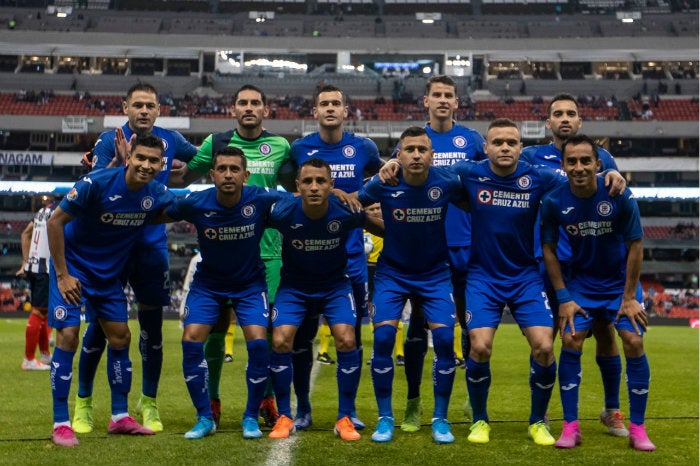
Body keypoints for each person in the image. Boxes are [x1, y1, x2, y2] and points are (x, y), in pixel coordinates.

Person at [452, 119, 626, 446]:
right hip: (482, 278)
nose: (505, 147)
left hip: (525, 277)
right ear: (486, 148)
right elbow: (426, 174)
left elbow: (579, 178)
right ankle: (479, 419)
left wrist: (610, 175)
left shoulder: (538, 177)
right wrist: (391, 164)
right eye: (498, 142)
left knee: (545, 347)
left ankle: (537, 421)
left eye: (511, 142)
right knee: (479, 346)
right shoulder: (469, 173)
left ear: (521, 149)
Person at [74, 83, 198, 434]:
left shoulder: (171, 140)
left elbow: (202, 162)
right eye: (138, 105)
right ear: (126, 107)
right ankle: (83, 403)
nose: (144, 111)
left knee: (152, 331)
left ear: (159, 110)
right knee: (98, 331)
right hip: (111, 248)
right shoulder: (107, 141)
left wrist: (183, 177)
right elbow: (91, 186)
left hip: (150, 247)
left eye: (150, 106)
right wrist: (115, 164)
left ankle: (149, 401)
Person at [170, 84, 292, 428]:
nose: (249, 107)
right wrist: (136, 169)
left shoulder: (281, 145)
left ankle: (266, 399)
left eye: (256, 102)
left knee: (265, 330)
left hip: (269, 251)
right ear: (233, 109)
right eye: (243, 102)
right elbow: (185, 178)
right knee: (215, 328)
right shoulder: (215, 144)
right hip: (224, 247)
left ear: (265, 110)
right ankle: (213, 399)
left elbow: (297, 188)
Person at [47, 134, 174, 447]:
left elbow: (184, 209)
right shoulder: (97, 183)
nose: (146, 165)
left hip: (108, 276)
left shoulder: (157, 194)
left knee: (121, 337)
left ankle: (119, 417)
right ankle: (61, 422)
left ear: (161, 165)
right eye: (141, 158)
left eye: (153, 161)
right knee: (68, 336)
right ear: (129, 156)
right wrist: (63, 275)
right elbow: (54, 222)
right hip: (73, 269)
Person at [157, 146, 287, 439]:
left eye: (235, 169)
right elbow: (158, 213)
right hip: (209, 285)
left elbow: (303, 201)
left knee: (257, 343)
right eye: (222, 169)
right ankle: (204, 417)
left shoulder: (262, 199)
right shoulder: (197, 202)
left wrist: (341, 196)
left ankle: (251, 417)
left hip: (250, 285)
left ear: (246, 175)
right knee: (191, 341)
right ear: (212, 174)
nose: (228, 174)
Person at [379, 75, 486, 432]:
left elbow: (490, 179)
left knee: (472, 328)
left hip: (468, 246)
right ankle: (413, 401)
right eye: (436, 95)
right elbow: (390, 181)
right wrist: (387, 165)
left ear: (457, 102)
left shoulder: (472, 140)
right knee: (417, 331)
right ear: (425, 101)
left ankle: (474, 401)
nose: (442, 100)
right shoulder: (415, 142)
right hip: (427, 252)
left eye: (448, 96)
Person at [520, 92, 629, 437]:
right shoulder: (530, 156)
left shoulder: (603, 157)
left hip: (588, 261)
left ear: (580, 121)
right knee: (546, 339)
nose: (564, 118)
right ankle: (543, 412)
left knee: (604, 332)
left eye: (571, 113)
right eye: (558, 114)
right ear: (547, 122)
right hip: (546, 259)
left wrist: (618, 176)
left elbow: (615, 192)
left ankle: (611, 410)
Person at [540, 135, 655, 451]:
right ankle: (571, 427)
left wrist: (629, 296)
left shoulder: (619, 194)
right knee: (570, 339)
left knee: (633, 340)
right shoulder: (553, 201)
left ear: (598, 164)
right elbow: (548, 249)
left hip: (619, 285)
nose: (578, 167)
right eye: (572, 161)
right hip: (582, 283)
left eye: (585, 161)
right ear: (563, 165)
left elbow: (636, 244)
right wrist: (564, 297)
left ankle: (638, 429)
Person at [357, 126, 469, 444]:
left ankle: (440, 419)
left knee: (446, 341)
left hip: (435, 274)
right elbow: (353, 207)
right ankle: (385, 419)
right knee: (383, 339)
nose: (417, 154)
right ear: (399, 155)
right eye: (410, 149)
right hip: (393, 274)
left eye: (422, 149)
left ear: (432, 155)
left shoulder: (447, 182)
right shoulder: (384, 182)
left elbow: (479, 207)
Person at [287, 84, 383, 431]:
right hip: (307, 255)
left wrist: (360, 198)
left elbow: (380, 180)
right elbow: (290, 189)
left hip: (351, 255)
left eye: (336, 104)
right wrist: (333, 193)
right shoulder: (300, 148)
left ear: (346, 111)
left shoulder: (364, 148)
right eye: (324, 104)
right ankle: (302, 410)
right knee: (302, 334)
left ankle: (349, 409)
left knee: (350, 335)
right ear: (315, 112)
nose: (330, 108)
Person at [266, 158, 382, 441]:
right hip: (294, 287)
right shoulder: (283, 211)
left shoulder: (346, 211)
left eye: (321, 181)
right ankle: (287, 414)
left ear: (332, 185)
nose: (314, 187)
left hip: (334, 286)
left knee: (346, 338)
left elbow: (379, 227)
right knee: (281, 340)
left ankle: (345, 416)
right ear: (298, 186)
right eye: (308, 181)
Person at [17, 195, 57, 371]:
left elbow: (25, 233)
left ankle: (45, 355)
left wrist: (26, 261)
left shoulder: (42, 212)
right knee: (39, 312)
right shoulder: (57, 212)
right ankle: (29, 359)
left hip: (34, 267)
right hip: (45, 269)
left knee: (44, 311)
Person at [365, 202, 405, 367]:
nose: (375, 211)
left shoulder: (393, 224)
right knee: (374, 313)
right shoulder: (362, 228)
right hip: (368, 270)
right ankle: (378, 351)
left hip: (390, 270)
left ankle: (400, 353)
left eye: (377, 208)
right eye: (371, 209)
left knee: (395, 314)